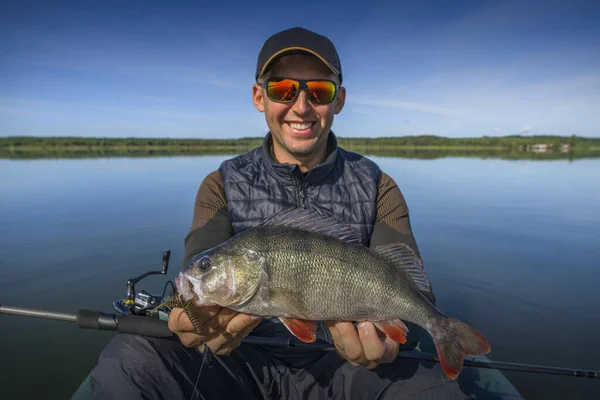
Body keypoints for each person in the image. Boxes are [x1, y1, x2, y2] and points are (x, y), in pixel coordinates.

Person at [89, 27, 471, 399]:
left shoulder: (378, 185)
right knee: (130, 361)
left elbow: (414, 288)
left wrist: (393, 336)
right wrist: (190, 315)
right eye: (282, 89)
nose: (301, 106)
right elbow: (196, 273)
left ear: (338, 100)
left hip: (347, 368)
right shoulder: (221, 183)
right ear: (260, 97)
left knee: (436, 389)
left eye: (319, 90)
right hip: (241, 361)